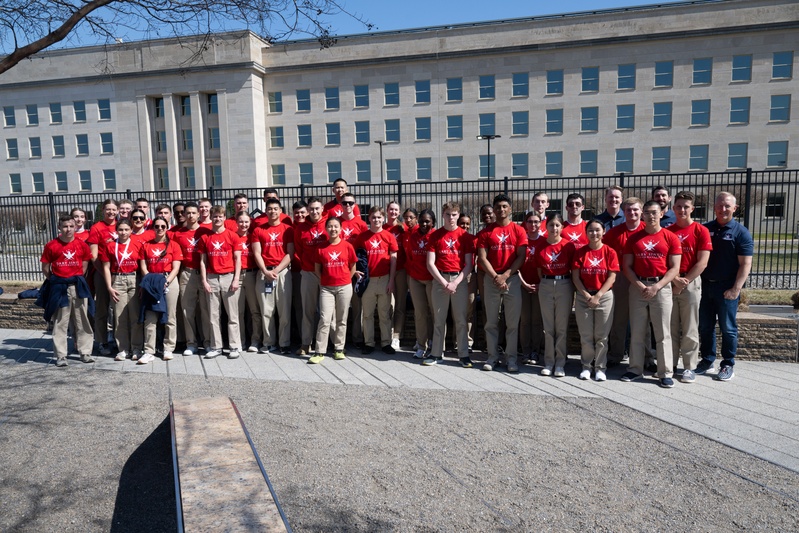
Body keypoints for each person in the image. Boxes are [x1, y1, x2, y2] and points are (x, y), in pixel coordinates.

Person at [621, 200, 682, 388]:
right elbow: (627, 266)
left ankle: (664, 373)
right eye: (647, 212)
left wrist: (658, 286)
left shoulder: (670, 237)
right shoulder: (634, 239)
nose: (651, 216)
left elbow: (674, 268)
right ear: (642, 215)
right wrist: (639, 285)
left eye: (654, 212)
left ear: (661, 214)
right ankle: (635, 369)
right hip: (638, 287)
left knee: (663, 333)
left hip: (661, 287)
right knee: (638, 332)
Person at [696, 192, 753, 382]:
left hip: (727, 289)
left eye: (727, 206)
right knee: (705, 327)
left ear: (735, 208)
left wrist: (736, 289)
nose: (723, 209)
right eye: (720, 205)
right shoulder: (705, 229)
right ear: (714, 207)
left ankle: (728, 364)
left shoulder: (740, 232)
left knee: (728, 328)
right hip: (705, 287)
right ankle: (707, 360)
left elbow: (745, 264)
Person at [477, 194, 527, 372]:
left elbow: (521, 256)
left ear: (510, 209)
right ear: (494, 209)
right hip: (491, 280)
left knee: (512, 323)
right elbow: (482, 258)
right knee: (491, 322)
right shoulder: (486, 232)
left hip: (512, 279)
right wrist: (496, 277)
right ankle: (492, 357)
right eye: (498, 207)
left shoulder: (518, 230)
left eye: (505, 206)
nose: (501, 210)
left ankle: (511, 359)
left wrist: (506, 275)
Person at [667, 191, 712, 383]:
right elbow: (663, 261)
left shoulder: (700, 231)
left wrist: (683, 282)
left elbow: (702, 263)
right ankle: (670, 365)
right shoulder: (668, 231)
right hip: (669, 282)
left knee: (690, 328)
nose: (682, 210)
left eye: (686, 207)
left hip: (691, 282)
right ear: (673, 208)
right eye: (679, 206)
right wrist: (674, 280)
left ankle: (689, 367)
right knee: (669, 327)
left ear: (692, 209)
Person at [40, 215, 94, 366]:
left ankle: (85, 352)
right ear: (59, 227)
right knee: (60, 322)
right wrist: (57, 280)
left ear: (75, 227)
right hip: (59, 287)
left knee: (82, 320)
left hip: (77, 286)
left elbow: (84, 266)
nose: (68, 229)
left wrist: (74, 277)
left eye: (71, 226)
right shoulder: (51, 245)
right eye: (65, 226)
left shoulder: (81, 245)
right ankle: (61, 355)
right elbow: (45, 268)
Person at [425, 203, 473, 367]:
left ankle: (464, 355)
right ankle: (436, 353)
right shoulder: (435, 236)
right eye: (447, 214)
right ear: (443, 215)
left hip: (458, 280)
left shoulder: (465, 236)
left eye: (454, 214)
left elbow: (468, 264)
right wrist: (444, 282)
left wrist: (455, 282)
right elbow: (430, 263)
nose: (451, 218)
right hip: (440, 280)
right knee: (439, 319)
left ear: (458, 216)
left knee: (460, 319)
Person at [571, 219, 619, 381]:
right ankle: (586, 366)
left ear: (603, 231)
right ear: (586, 233)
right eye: (590, 230)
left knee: (601, 336)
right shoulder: (581, 252)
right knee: (586, 335)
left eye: (597, 230)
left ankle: (600, 368)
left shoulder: (610, 252)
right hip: (584, 297)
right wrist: (586, 295)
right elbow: (576, 277)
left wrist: (598, 296)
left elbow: (612, 276)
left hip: (604, 297)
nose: (594, 233)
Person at [309, 217, 358, 364]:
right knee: (324, 319)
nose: (333, 229)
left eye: (336, 226)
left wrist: (346, 280)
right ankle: (319, 351)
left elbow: (353, 266)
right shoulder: (321, 247)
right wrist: (325, 280)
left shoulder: (348, 246)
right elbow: (317, 269)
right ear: (326, 229)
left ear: (341, 228)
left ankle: (339, 349)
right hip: (326, 288)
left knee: (342, 319)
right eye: (330, 226)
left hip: (344, 286)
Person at [603, 197, 645, 367]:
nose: (632, 213)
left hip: (642, 278)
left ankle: (644, 356)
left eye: (635, 210)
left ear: (641, 211)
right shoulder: (614, 232)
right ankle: (616, 354)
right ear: (623, 211)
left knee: (642, 320)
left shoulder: (647, 230)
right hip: (620, 277)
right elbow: (605, 255)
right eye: (628, 210)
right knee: (618, 319)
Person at [250, 197, 294, 354]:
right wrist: (265, 271)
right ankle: (268, 342)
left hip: (282, 272)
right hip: (264, 273)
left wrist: (276, 271)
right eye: (269, 209)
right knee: (266, 311)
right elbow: (256, 253)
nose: (272, 211)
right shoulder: (258, 230)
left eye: (275, 208)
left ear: (280, 211)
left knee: (284, 311)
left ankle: (284, 343)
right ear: (265, 211)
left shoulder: (287, 229)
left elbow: (290, 253)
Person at [199, 206, 243, 359]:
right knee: (213, 315)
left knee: (232, 315)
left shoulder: (232, 236)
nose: (217, 219)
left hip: (228, 277)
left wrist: (236, 279)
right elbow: (203, 261)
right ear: (211, 218)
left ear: (225, 217)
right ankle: (216, 346)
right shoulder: (205, 237)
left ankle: (234, 346)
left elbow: (238, 259)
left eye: (220, 216)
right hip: (212, 278)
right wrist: (204, 280)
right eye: (215, 216)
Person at [535, 214, 576, 377]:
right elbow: (539, 270)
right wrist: (546, 282)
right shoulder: (540, 246)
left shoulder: (568, 246)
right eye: (551, 225)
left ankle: (560, 363)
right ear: (547, 227)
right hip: (546, 283)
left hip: (564, 284)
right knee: (548, 327)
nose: (554, 228)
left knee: (561, 327)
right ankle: (549, 362)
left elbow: (574, 270)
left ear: (562, 227)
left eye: (558, 225)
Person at [355, 206, 398, 354]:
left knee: (384, 313)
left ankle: (386, 343)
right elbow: (355, 257)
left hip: (385, 278)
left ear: (383, 218)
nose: (376, 220)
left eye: (379, 217)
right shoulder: (363, 237)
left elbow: (394, 259)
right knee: (367, 314)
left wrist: (391, 280)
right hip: (368, 280)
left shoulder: (388, 236)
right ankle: (369, 343)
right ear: (369, 219)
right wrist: (356, 272)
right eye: (373, 217)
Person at [139, 216, 183, 362]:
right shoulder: (146, 245)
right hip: (151, 282)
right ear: (153, 228)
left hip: (169, 281)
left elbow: (176, 267)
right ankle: (149, 350)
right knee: (150, 317)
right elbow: (143, 266)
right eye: (156, 226)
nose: (159, 229)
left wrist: (166, 281)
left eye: (162, 226)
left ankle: (168, 348)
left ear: (167, 227)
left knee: (170, 316)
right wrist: (151, 281)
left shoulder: (174, 245)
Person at [100, 218, 144, 362]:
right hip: (117, 280)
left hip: (134, 279)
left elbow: (143, 266)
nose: (123, 232)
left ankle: (136, 347)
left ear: (131, 230)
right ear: (116, 231)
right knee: (119, 317)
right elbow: (106, 267)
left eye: (126, 229)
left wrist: (142, 285)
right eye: (121, 230)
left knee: (135, 315)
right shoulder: (110, 246)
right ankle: (123, 349)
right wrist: (109, 287)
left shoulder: (138, 244)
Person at [174, 202, 212, 356]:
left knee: (206, 310)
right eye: (187, 213)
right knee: (187, 310)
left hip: (205, 274)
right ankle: (191, 343)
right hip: (187, 273)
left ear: (198, 215)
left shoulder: (206, 231)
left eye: (193, 213)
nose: (190, 216)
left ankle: (208, 342)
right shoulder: (178, 234)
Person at [294, 197, 328, 355]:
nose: (314, 211)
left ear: (322, 209)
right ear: (308, 210)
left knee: (326, 312)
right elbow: (299, 251)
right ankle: (306, 343)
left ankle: (329, 344)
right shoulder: (300, 228)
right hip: (308, 272)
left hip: (327, 273)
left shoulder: (328, 224)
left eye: (317, 208)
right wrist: (307, 266)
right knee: (308, 311)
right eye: (311, 209)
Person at [87, 199, 119, 355]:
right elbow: (93, 256)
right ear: (103, 210)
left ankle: (119, 340)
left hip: (121, 273)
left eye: (114, 209)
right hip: (101, 273)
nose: (111, 212)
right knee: (102, 308)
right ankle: (102, 341)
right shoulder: (96, 228)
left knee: (120, 309)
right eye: (108, 209)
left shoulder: (123, 225)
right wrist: (105, 275)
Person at [338, 193, 368, 346]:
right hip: (338, 269)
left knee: (357, 307)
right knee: (339, 308)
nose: (347, 205)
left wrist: (357, 268)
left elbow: (363, 250)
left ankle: (357, 338)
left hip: (355, 270)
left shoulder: (361, 224)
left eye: (350, 203)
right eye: (344, 203)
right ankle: (338, 341)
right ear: (341, 205)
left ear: (355, 204)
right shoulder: (337, 223)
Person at [405, 209, 435, 359]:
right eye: (422, 221)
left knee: (435, 313)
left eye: (427, 221)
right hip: (416, 278)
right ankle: (421, 344)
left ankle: (434, 344)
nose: (424, 224)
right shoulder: (413, 237)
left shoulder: (435, 236)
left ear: (433, 222)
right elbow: (410, 256)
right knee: (420, 314)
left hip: (432, 279)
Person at [518, 211, 546, 365]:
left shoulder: (545, 241)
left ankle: (535, 351)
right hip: (522, 285)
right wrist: (524, 283)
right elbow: (516, 266)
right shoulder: (521, 241)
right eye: (530, 221)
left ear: (541, 223)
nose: (533, 225)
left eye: (536, 221)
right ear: (525, 223)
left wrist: (540, 284)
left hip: (540, 286)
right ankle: (525, 351)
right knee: (524, 321)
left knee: (536, 320)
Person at [235, 211, 263, 353]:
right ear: (236, 222)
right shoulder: (233, 237)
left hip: (252, 274)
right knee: (238, 312)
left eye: (246, 222)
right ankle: (240, 341)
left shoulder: (254, 237)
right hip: (236, 277)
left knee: (254, 310)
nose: (244, 224)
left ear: (250, 222)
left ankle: (255, 340)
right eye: (241, 221)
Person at [385, 201, 408, 350]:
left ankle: (396, 336)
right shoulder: (382, 227)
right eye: (391, 209)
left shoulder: (403, 228)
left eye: (396, 210)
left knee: (400, 304)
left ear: (399, 212)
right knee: (387, 304)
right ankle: (386, 334)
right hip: (385, 269)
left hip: (401, 269)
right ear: (387, 211)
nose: (393, 212)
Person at [457, 213, 477, 353]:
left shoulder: (472, 239)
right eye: (462, 223)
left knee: (469, 310)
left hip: (470, 276)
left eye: (467, 223)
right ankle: (457, 340)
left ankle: (468, 341)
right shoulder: (453, 238)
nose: (464, 226)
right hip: (455, 275)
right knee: (457, 311)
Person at [290, 200, 308, 343]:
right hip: (296, 270)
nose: (299, 215)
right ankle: (303, 338)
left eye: (302, 212)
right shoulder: (290, 228)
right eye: (296, 213)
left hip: (313, 271)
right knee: (299, 305)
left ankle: (315, 337)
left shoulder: (310, 227)